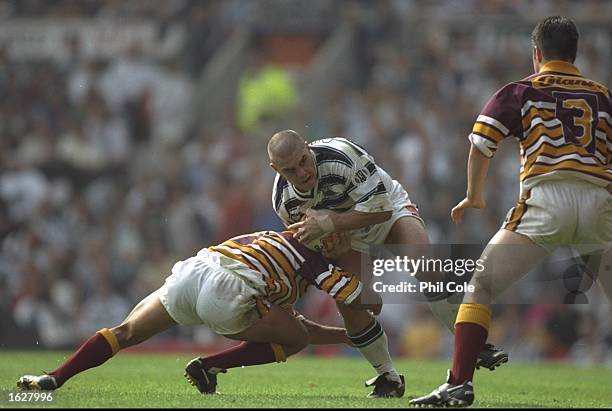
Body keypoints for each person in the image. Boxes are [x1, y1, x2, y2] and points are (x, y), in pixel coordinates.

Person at [409, 16, 612, 407]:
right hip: (599, 202)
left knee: (480, 287)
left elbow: (482, 142)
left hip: (546, 200)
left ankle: (458, 384)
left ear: (536, 54)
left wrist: (474, 195)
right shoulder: (603, 95)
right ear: (576, 53)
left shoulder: (521, 90)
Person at [267, 131, 509, 394]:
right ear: (275, 169)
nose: (302, 173)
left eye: (303, 161)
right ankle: (388, 378)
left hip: (388, 211)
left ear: (307, 145)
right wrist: (334, 248)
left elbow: (381, 211)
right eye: (290, 170)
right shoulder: (284, 202)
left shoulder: (343, 155)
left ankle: (474, 346)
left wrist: (330, 222)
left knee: (425, 266)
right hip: (350, 237)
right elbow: (317, 245)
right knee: (350, 302)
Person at [17, 230, 384, 396]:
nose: (341, 241)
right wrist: (370, 314)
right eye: (338, 235)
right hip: (227, 290)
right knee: (296, 340)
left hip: (192, 273)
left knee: (125, 332)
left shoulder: (269, 237)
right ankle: (208, 365)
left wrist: (347, 339)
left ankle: (54, 378)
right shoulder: (314, 261)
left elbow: (291, 323)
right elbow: (363, 301)